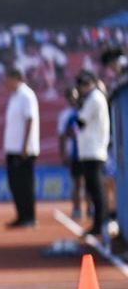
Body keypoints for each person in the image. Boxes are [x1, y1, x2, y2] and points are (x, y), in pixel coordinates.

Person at [74, 70, 111, 239]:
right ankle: (100, 223)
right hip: (91, 151)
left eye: (83, 85)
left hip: (93, 151)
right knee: (95, 189)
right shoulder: (95, 98)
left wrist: (78, 102)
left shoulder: (94, 98)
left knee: (96, 190)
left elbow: (80, 121)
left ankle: (100, 223)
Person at [2, 66, 40, 229]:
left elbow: (30, 119)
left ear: (16, 79)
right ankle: (21, 216)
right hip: (12, 148)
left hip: (24, 150)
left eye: (8, 80)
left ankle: (30, 217)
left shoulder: (27, 95)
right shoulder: (14, 96)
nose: (6, 83)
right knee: (15, 184)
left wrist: (26, 145)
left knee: (25, 184)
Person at [57, 86, 84, 220]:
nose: (73, 99)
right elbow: (62, 136)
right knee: (77, 182)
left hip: (87, 152)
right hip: (74, 153)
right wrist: (63, 154)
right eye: (70, 96)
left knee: (89, 182)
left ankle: (90, 208)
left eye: (75, 95)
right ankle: (77, 208)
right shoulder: (66, 115)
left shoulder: (84, 110)